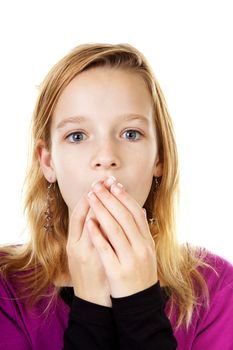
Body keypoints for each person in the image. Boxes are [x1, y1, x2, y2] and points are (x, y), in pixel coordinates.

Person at [0, 43, 232, 350]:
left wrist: (139, 302)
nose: (106, 157)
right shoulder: (6, 289)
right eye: (77, 136)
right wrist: (91, 304)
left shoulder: (215, 289)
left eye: (131, 133)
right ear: (47, 161)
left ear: (159, 158)